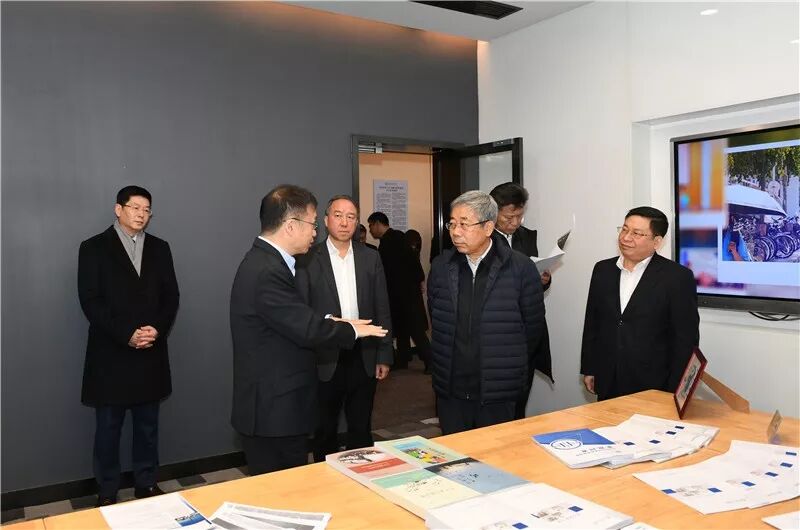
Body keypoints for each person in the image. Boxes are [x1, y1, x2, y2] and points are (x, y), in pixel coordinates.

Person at [230, 185, 387, 475]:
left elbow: (291, 316)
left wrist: (333, 321)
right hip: (273, 409)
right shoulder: (268, 270)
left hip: (278, 405)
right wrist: (349, 329)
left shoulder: (269, 262)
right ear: (291, 226)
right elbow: (306, 327)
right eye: (313, 224)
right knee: (283, 491)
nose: (315, 232)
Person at [78, 185, 179, 507]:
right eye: (135, 207)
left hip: (150, 351)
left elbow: (171, 297)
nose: (141, 214)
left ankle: (146, 484)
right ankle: (107, 491)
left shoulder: (160, 248)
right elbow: (90, 301)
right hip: (111, 354)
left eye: (146, 210)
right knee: (108, 429)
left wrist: (156, 330)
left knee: (148, 427)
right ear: (118, 209)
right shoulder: (93, 247)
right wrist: (127, 334)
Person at [427, 191, 546, 434]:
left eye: (464, 224)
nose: (455, 232)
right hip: (451, 389)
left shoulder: (520, 268)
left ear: (488, 227)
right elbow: (437, 318)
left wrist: (508, 367)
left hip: (498, 391)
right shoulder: (441, 267)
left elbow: (532, 330)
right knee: (453, 453)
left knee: (496, 452)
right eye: (452, 224)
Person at [295, 195, 393, 462]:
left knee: (361, 426)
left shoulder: (370, 257)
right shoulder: (307, 258)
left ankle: (362, 474)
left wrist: (384, 353)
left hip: (364, 352)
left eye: (351, 217)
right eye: (338, 215)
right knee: (324, 427)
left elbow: (382, 307)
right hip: (325, 354)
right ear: (326, 220)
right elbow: (302, 310)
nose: (344, 222)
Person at [580, 206, 700, 401]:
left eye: (636, 233)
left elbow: (685, 340)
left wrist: (676, 389)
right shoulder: (603, 270)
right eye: (624, 229)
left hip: (653, 384)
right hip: (608, 377)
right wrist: (590, 367)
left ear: (657, 242)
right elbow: (592, 322)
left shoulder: (677, 278)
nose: (626, 238)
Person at [489, 182, 553, 419]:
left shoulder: (526, 236)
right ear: (493, 213)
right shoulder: (483, 239)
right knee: (497, 406)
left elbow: (533, 279)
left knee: (520, 397)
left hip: (527, 329)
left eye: (519, 216)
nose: (515, 223)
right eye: (509, 217)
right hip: (498, 330)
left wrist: (543, 280)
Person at [367, 212, 431, 372]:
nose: (370, 230)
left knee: (415, 330)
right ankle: (403, 358)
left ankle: (431, 362)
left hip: (403, 294)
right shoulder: (397, 238)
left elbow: (392, 270)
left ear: (377, 223)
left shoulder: (390, 241)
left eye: (371, 226)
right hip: (404, 293)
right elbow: (414, 261)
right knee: (402, 327)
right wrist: (420, 280)